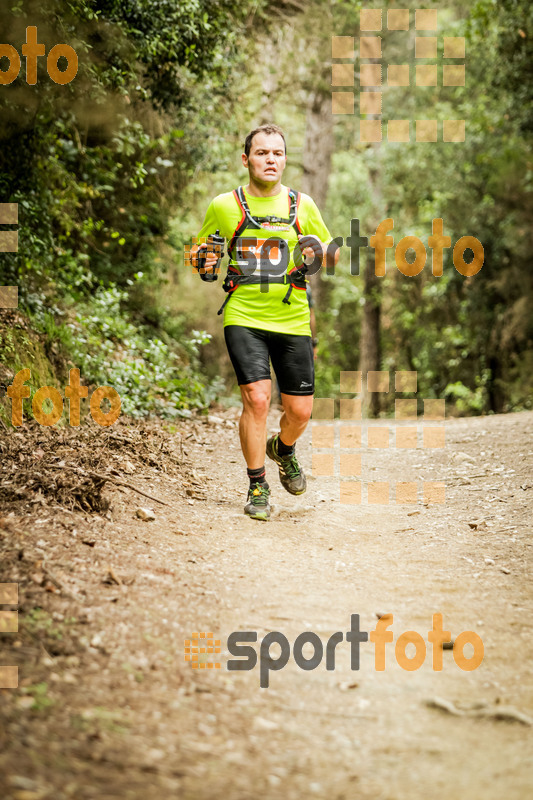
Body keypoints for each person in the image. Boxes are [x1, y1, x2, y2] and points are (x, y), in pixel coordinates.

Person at [192, 123, 337, 521]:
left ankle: (284, 449)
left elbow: (330, 250)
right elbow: (202, 251)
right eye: (262, 153)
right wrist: (204, 261)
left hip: (292, 318)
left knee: (301, 411)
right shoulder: (224, 205)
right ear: (246, 159)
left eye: (277, 153)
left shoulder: (302, 205)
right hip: (244, 315)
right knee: (256, 399)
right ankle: (257, 484)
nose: (270, 159)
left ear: (285, 160)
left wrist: (320, 251)